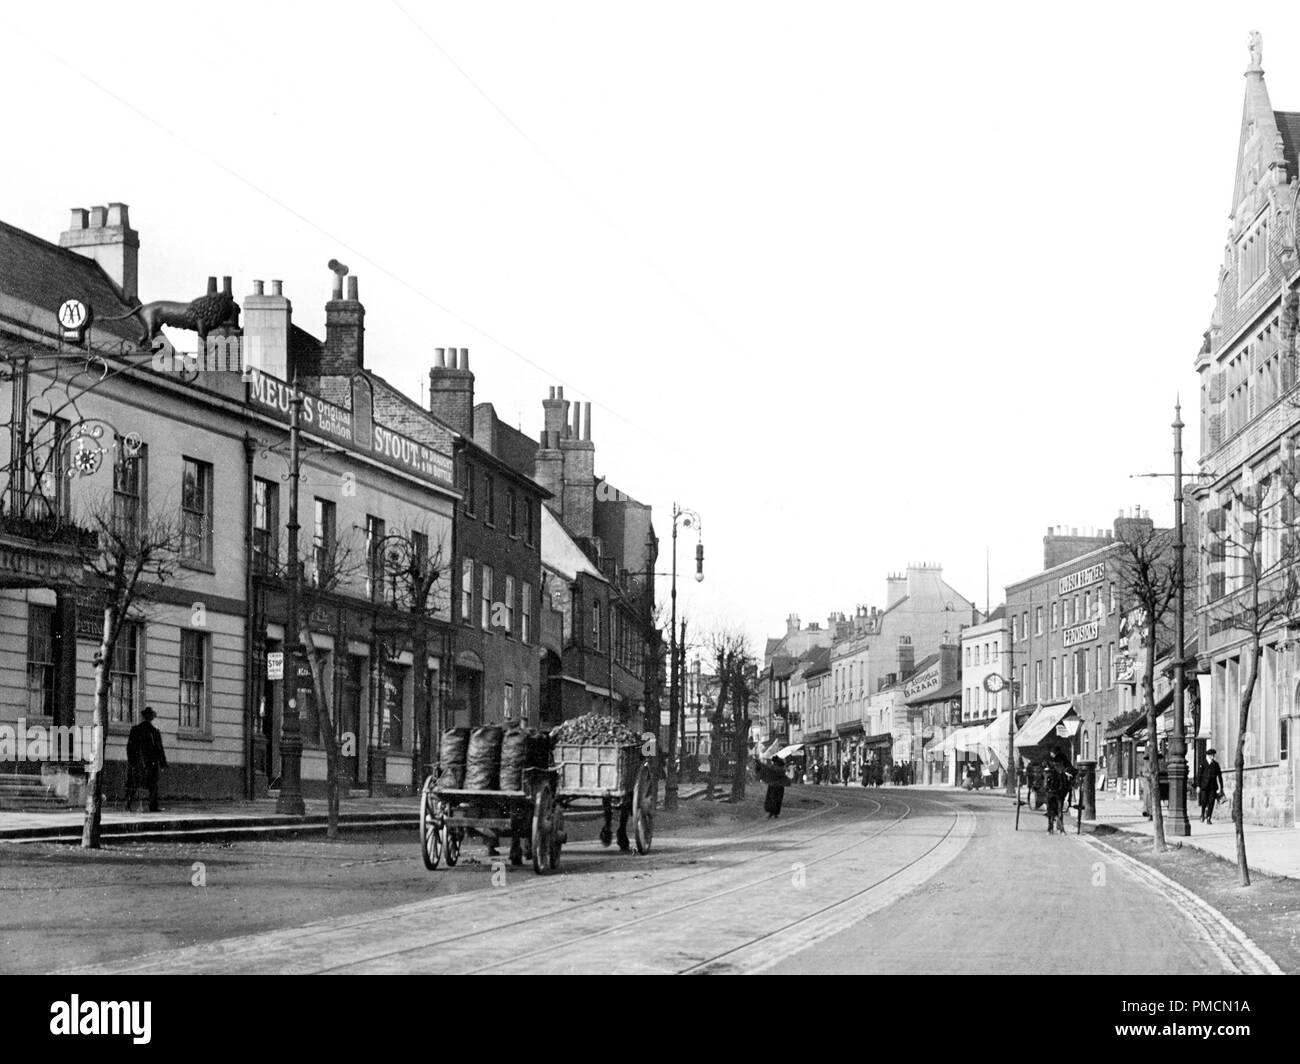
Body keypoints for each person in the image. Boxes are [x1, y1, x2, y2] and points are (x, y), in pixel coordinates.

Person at [125, 707, 167, 812]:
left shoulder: (151, 731)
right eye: (149, 716)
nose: (150, 717)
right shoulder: (144, 730)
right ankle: (133, 805)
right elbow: (131, 747)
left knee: (142, 785)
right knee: (142, 784)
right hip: (144, 761)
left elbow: (159, 748)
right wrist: (162, 762)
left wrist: (162, 762)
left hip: (144, 762)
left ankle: (131, 804)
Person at [1041, 748, 1076, 834]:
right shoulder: (1047, 759)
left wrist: (1067, 772)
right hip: (1050, 780)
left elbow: (1068, 766)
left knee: (1065, 781)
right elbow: (1043, 766)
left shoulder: (1062, 757)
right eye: (1051, 753)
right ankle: (1050, 826)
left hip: (1060, 782)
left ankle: (1059, 826)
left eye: (1053, 753)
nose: (1052, 754)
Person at [1197, 749, 1225, 824]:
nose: (1212, 757)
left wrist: (1221, 787)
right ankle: (1202, 814)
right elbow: (1199, 775)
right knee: (1203, 801)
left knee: (1211, 802)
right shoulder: (1203, 763)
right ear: (1208, 755)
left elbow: (1219, 776)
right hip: (1204, 786)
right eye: (1211, 755)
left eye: (1213, 755)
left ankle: (1209, 817)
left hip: (1213, 786)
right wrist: (1198, 786)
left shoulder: (1216, 764)